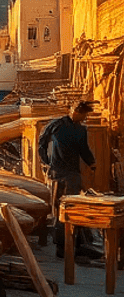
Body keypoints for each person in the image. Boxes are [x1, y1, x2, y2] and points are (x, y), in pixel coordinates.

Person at [38, 100, 99, 258]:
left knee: (71, 209)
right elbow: (41, 143)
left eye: (83, 115)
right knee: (59, 209)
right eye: (79, 113)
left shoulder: (80, 130)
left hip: (73, 174)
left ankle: (73, 244)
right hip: (57, 172)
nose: (80, 117)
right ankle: (61, 247)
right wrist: (45, 161)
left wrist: (91, 163)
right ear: (73, 110)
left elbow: (83, 149)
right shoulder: (56, 125)